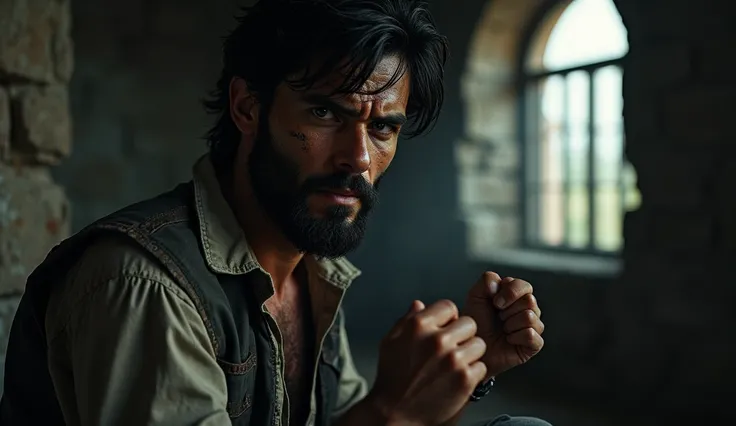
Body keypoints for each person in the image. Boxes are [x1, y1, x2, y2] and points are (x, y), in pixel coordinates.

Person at [0, 0, 550, 425]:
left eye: (382, 127)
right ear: (247, 108)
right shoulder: (143, 284)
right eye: (323, 112)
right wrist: (391, 411)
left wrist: (465, 366)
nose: (357, 158)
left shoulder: (309, 267)